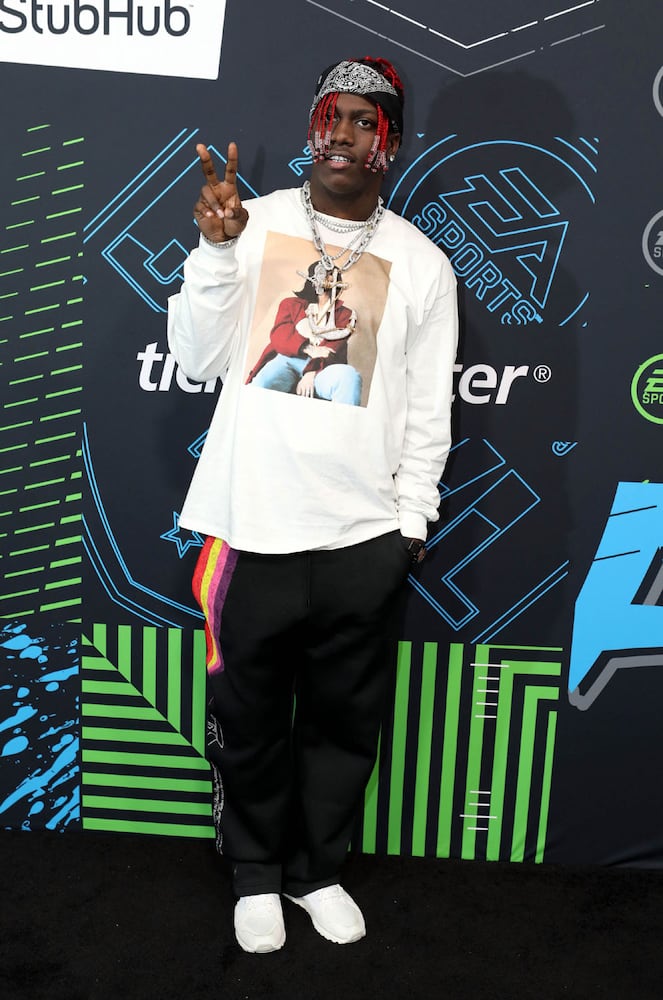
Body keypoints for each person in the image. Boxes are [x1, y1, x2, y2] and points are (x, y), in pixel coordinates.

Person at [167, 56, 458, 954]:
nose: (343, 134)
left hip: (363, 539)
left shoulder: (422, 262)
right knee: (247, 720)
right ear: (311, 128)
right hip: (249, 527)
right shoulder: (248, 223)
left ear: (390, 143)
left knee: (342, 724)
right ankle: (255, 874)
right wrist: (217, 252)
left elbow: (427, 407)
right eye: (331, 116)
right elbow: (195, 358)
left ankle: (315, 871)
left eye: (365, 122)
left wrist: (409, 524)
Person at [247, 262, 361, 404]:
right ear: (313, 278)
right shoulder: (291, 304)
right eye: (326, 274)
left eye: (333, 275)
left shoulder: (345, 315)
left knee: (349, 377)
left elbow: (331, 349)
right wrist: (309, 348)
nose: (330, 279)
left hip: (323, 366)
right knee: (261, 383)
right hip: (288, 359)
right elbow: (280, 335)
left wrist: (311, 372)